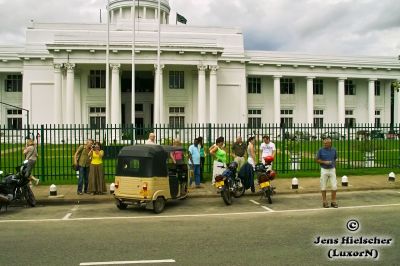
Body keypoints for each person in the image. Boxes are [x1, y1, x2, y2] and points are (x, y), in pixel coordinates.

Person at [315, 138, 338, 208]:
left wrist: (334, 164)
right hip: (324, 169)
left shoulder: (334, 150)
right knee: (323, 186)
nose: (325, 144)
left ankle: (333, 201)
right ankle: (324, 202)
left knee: (334, 186)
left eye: (326, 143)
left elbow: (335, 158)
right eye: (324, 143)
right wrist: (324, 162)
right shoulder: (320, 150)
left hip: (332, 169)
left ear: (330, 143)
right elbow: (316, 159)